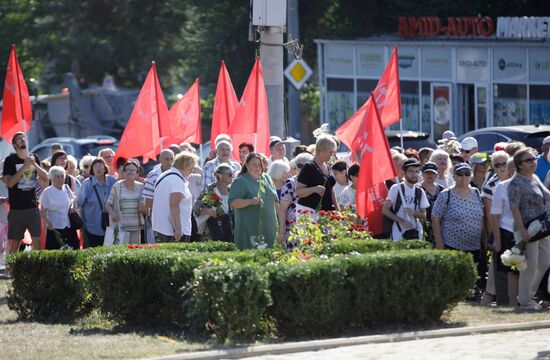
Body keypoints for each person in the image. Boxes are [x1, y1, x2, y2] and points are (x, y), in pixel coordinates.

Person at [507, 147, 550, 311]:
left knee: (545, 262)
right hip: (526, 229)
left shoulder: (535, 178)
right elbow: (514, 208)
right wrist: (522, 230)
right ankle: (525, 301)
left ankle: (528, 296)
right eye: (529, 160)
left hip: (543, 227)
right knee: (529, 264)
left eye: (534, 159)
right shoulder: (515, 183)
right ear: (519, 164)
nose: (533, 162)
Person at [432, 162, 484, 292]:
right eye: (459, 174)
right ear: (453, 176)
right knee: (454, 276)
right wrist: (439, 243)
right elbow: (435, 217)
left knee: (472, 275)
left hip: (474, 244)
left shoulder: (476, 192)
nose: (463, 177)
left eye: (467, 174)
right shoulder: (446, 194)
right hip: (452, 243)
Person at [3, 132, 48, 259]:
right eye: (19, 139)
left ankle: (36, 268)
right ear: (14, 145)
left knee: (37, 241)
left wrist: (34, 164)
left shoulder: (34, 157)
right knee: (15, 243)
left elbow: (45, 177)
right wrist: (25, 167)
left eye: (24, 138)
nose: (23, 140)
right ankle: (11, 269)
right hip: (17, 209)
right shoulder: (10, 160)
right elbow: (10, 183)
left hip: (33, 207)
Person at [229, 153, 278, 250]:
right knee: (254, 259)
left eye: (259, 164)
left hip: (270, 228)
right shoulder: (241, 181)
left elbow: (276, 201)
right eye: (254, 164)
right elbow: (233, 202)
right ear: (247, 165)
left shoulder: (267, 178)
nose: (257, 167)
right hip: (250, 230)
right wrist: (250, 201)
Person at [480, 151, 511, 305]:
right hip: (498, 227)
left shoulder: (515, 179)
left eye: (504, 163)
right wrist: (492, 236)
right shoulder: (490, 185)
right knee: (498, 263)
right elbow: (488, 213)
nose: (501, 168)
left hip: (515, 228)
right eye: (497, 165)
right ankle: (492, 294)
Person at [490, 158, 518, 307]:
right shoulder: (502, 186)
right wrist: (497, 239)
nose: (513, 169)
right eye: (511, 167)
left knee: (521, 270)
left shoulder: (531, 183)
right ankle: (505, 301)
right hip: (505, 231)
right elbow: (495, 214)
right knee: (505, 270)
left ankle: (520, 299)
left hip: (524, 233)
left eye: (515, 166)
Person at [152, 152, 198, 242]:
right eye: (193, 165)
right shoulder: (177, 180)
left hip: (162, 228)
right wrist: (178, 229)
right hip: (174, 231)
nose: (194, 169)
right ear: (185, 165)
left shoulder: (165, 175)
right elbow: (174, 205)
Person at [382, 159, 429, 241]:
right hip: (398, 232)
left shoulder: (420, 191)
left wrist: (414, 212)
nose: (414, 174)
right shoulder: (396, 188)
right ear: (404, 172)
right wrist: (401, 221)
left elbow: (424, 215)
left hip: (416, 232)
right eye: (411, 171)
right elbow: (385, 210)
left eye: (417, 171)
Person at [276, 152, 313, 249]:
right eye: (299, 165)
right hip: (293, 229)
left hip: (312, 227)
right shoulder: (290, 183)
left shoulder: (316, 182)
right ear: (296, 167)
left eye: (306, 166)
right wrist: (281, 231)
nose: (302, 168)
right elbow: (282, 209)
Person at [296, 135, 339, 219]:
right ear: (322, 150)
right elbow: (298, 191)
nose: (332, 155)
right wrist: (314, 189)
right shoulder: (309, 167)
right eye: (331, 152)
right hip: (308, 212)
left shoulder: (327, 166)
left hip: (326, 212)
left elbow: (331, 190)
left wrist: (337, 210)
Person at [77, 158, 117, 247]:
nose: (98, 169)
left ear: (105, 168)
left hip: (110, 223)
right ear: (92, 170)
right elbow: (79, 203)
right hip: (91, 225)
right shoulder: (87, 183)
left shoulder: (112, 181)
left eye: (100, 166)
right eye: (95, 166)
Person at [39, 166, 79, 250]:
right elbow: (42, 210)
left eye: (62, 176)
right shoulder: (47, 192)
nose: (60, 179)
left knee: (74, 249)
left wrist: (72, 207)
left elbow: (73, 200)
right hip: (55, 227)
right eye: (57, 176)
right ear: (52, 178)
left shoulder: (67, 188)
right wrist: (47, 222)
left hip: (69, 225)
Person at [106, 161, 144, 245]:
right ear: (123, 173)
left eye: (133, 170)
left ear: (137, 173)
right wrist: (112, 213)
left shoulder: (141, 186)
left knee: (135, 251)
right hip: (121, 225)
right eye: (127, 169)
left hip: (136, 225)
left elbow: (144, 204)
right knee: (121, 251)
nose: (130, 172)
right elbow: (108, 204)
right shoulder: (117, 185)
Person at [193, 164, 234, 241]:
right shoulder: (211, 191)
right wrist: (207, 211)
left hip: (229, 231)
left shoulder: (231, 191)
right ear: (220, 176)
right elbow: (196, 209)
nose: (232, 177)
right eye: (230, 174)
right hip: (212, 232)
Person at [419, 162, 445, 245]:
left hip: (440, 227)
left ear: (436, 175)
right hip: (423, 226)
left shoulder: (442, 189)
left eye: (432, 173)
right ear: (422, 174)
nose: (429, 175)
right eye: (427, 172)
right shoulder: (417, 189)